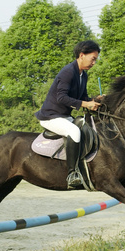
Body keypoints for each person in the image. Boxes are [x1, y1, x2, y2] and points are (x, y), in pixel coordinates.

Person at [34, 40, 102, 188]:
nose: (94, 63)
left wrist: (94, 100)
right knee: (74, 131)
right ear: (82, 55)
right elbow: (61, 98)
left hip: (64, 116)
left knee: (85, 129)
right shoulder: (67, 72)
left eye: (95, 60)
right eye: (93, 59)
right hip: (50, 116)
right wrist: (86, 104)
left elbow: (82, 97)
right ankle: (72, 174)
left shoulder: (83, 75)